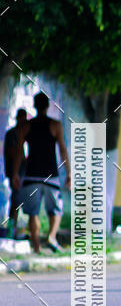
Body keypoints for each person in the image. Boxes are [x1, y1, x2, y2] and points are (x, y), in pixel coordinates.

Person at [11, 92, 71, 253]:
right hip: (51, 174)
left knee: (32, 213)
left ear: (36, 106)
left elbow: (19, 151)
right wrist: (69, 173)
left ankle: (37, 247)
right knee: (56, 210)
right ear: (47, 106)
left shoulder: (26, 126)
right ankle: (51, 236)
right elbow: (63, 150)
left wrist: (16, 173)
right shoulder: (55, 125)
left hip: (31, 175)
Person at [3, 108, 28, 238]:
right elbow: (12, 152)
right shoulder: (13, 133)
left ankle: (16, 228)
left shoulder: (24, 133)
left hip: (23, 172)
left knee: (21, 200)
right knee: (16, 200)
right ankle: (12, 229)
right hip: (16, 172)